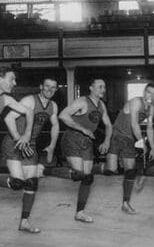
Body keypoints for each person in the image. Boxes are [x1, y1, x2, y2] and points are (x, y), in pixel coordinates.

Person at [43, 78, 112, 223]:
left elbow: (108, 125)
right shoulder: (82, 101)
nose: (103, 89)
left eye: (104, 87)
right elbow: (63, 115)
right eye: (100, 86)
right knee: (79, 174)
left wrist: (106, 141)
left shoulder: (101, 106)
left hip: (87, 142)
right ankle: (45, 171)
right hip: (72, 138)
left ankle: (80, 213)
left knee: (88, 178)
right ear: (91, 88)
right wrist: (83, 129)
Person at [0, 71, 58, 233]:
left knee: (32, 182)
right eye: (46, 86)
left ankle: (24, 222)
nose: (49, 90)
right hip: (13, 141)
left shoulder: (53, 106)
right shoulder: (29, 100)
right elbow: (9, 118)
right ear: (41, 87)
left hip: (29, 145)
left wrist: (52, 146)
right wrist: (22, 136)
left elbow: (55, 125)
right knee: (17, 183)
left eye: (53, 87)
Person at [104, 83, 154, 215]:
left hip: (129, 139)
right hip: (118, 135)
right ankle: (93, 168)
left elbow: (150, 128)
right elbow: (134, 124)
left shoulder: (151, 109)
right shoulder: (135, 102)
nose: (151, 95)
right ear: (144, 92)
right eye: (149, 92)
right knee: (111, 170)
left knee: (130, 171)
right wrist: (142, 143)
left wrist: (153, 147)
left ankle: (125, 204)